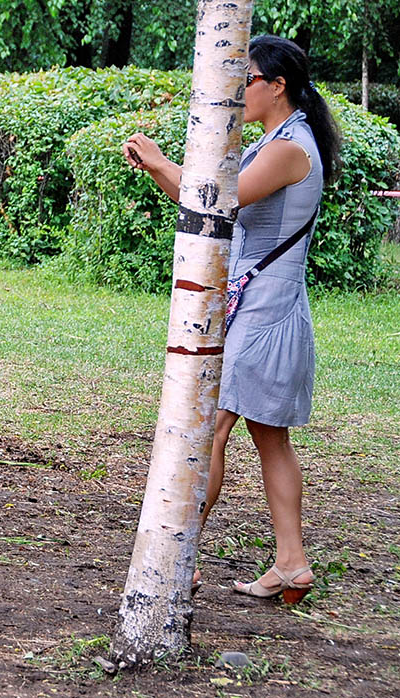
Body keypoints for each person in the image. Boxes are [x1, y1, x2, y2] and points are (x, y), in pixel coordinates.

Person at [122, 35, 340, 603]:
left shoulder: (291, 148)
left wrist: (164, 162)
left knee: (211, 428)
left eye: (247, 80)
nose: (240, 91)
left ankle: (177, 556)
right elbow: (208, 205)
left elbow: (224, 200)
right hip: (259, 302)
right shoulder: (276, 139)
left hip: (265, 308)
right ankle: (291, 562)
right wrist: (158, 169)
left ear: (277, 85)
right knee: (269, 438)